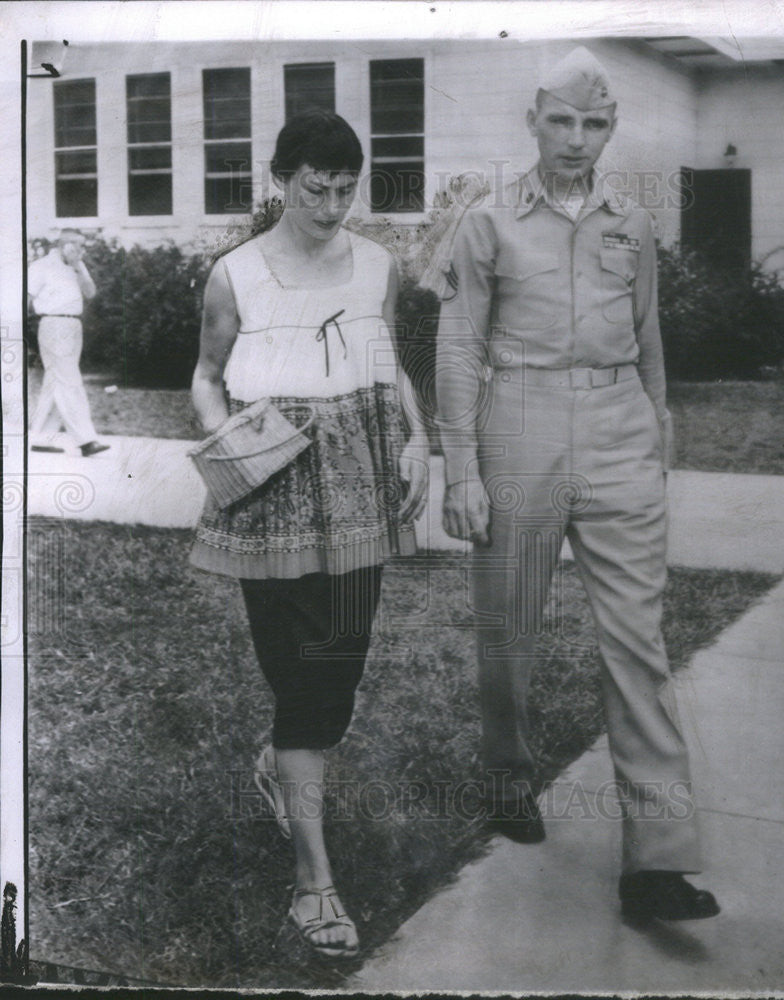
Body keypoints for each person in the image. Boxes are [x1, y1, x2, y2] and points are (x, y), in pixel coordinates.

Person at [436, 47, 719, 922]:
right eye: (561, 120)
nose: (576, 138)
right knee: (508, 629)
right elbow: (457, 347)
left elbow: (649, 336)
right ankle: (507, 775)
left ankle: (658, 860)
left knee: (637, 640)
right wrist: (462, 468)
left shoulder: (631, 225)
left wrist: (655, 436)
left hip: (618, 426)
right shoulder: (484, 223)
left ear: (610, 129)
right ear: (532, 119)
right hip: (517, 421)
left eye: (593, 123)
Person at [190, 109, 429, 960]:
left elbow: (386, 358)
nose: (331, 207)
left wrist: (416, 438)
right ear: (279, 182)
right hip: (273, 482)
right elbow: (208, 375)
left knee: (341, 667)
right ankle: (312, 884)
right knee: (304, 682)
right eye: (314, 189)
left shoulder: (378, 265)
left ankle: (279, 764)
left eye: (344, 189)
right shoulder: (236, 274)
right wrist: (230, 444)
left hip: (359, 477)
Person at [27, 229, 109, 457]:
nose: (82, 251)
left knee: (56, 381)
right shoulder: (42, 266)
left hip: (73, 326)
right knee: (70, 380)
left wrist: (78, 266)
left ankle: (43, 438)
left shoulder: (76, 266)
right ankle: (86, 440)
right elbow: (26, 297)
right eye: (78, 246)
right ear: (65, 245)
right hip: (53, 325)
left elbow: (90, 292)